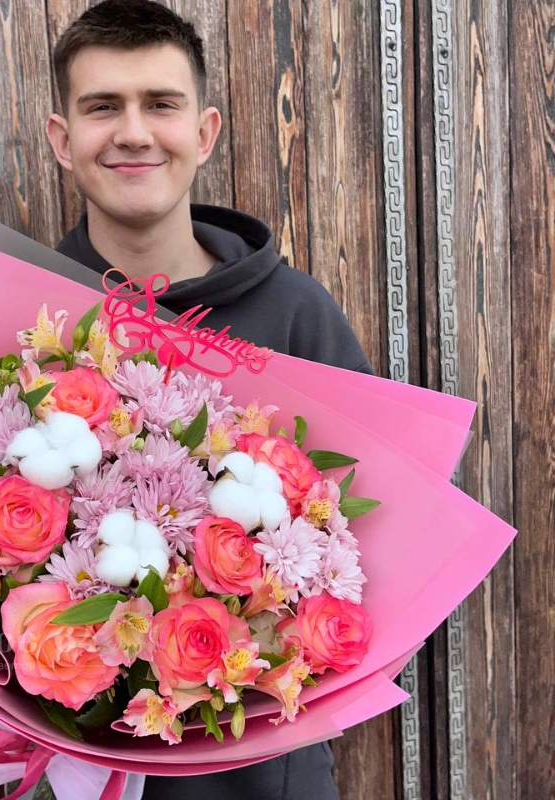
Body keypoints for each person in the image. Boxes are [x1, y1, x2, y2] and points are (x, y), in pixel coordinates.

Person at [44, 2, 371, 798]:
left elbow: (383, 534)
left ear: (205, 131)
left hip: (268, 775)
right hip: (75, 766)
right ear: (62, 138)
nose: (133, 133)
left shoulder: (294, 314)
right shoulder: (22, 315)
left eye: (160, 104)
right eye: (102, 107)